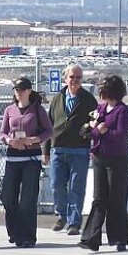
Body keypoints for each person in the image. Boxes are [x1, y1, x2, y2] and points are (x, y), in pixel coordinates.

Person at [78, 74, 128, 252]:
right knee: (99, 198)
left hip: (118, 159)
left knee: (116, 199)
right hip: (100, 157)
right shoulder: (101, 109)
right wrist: (95, 129)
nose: (101, 94)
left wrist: (104, 131)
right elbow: (90, 133)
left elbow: (121, 135)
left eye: (104, 90)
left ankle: (119, 238)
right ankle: (90, 238)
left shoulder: (122, 111)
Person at [42, 64, 97, 236]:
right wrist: (46, 150)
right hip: (58, 148)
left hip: (79, 150)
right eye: (72, 77)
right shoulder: (58, 98)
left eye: (78, 77)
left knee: (76, 187)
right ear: (65, 78)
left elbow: (95, 122)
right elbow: (49, 124)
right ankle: (62, 215)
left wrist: (90, 138)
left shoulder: (88, 99)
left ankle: (74, 222)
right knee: (56, 184)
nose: (75, 80)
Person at [0, 77, 53, 248]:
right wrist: (9, 141)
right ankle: (14, 231)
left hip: (31, 158)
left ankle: (27, 236)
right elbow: (2, 132)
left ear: (29, 91)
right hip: (13, 157)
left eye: (22, 89)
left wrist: (35, 139)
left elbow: (49, 131)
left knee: (28, 199)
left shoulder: (37, 110)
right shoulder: (9, 110)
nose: (19, 92)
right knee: (8, 197)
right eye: (16, 89)